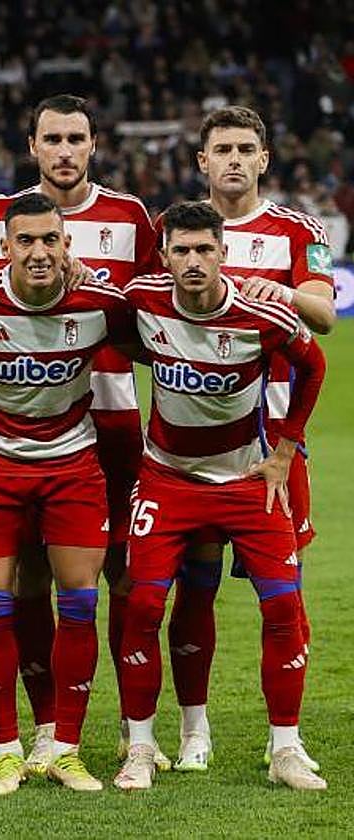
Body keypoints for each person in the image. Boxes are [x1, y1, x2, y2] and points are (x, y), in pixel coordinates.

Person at [0, 94, 163, 772]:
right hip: (19, 423)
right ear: (33, 146)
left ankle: (140, 732)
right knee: (32, 582)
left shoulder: (130, 215)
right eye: (53, 139)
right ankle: (49, 729)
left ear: (94, 144)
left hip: (112, 418)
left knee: (127, 580)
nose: (65, 151)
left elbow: (156, 306)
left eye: (77, 138)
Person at [115, 201, 327, 792]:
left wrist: (284, 451)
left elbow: (314, 366)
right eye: (181, 250)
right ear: (164, 257)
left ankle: (285, 747)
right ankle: (140, 746)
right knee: (144, 607)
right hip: (167, 481)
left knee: (284, 607)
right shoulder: (142, 301)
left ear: (223, 253)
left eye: (204, 249)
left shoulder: (262, 316)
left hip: (244, 483)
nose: (193, 261)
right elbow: (106, 325)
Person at [0, 192, 137, 794]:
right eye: (26, 241)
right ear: (4, 247)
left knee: (79, 604)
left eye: (50, 239)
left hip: (73, 465)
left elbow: (174, 328)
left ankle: (67, 749)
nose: (40, 252)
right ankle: (7, 751)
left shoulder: (102, 304)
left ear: (67, 244)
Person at [159, 106, 337, 772]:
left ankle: (284, 741)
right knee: (195, 587)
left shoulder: (298, 228)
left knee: (284, 591)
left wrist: (279, 294)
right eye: (221, 149)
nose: (234, 159)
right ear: (201, 161)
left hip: (276, 438)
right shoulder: (176, 228)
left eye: (245, 148)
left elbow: (325, 314)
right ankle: (193, 731)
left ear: (264, 158)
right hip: (198, 440)